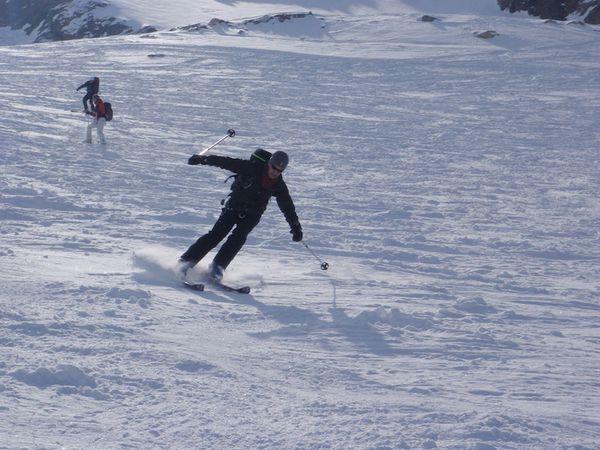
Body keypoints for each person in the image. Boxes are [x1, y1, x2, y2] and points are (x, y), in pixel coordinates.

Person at [178, 150, 303, 281]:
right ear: (269, 163)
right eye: (274, 168)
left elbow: (287, 207)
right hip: (234, 207)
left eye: (279, 171)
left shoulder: (279, 185)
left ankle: (217, 267)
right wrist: (203, 160)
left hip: (253, 215)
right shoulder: (252, 168)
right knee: (216, 235)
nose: (275, 172)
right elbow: (226, 162)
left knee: (238, 239)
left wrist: (296, 227)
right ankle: (185, 262)